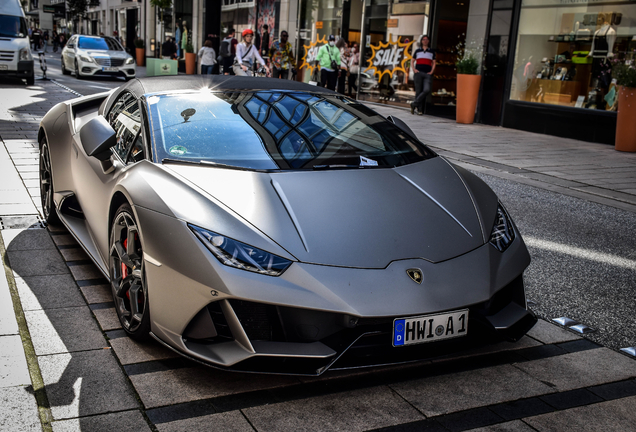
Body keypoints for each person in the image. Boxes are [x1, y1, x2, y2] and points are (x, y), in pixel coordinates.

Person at [410, 35, 436, 115]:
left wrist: (431, 72)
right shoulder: (418, 51)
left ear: (428, 41)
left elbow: (434, 63)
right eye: (423, 39)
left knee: (426, 90)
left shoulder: (432, 51)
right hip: (418, 73)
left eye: (426, 39)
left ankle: (414, 103)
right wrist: (414, 69)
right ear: (421, 41)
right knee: (418, 91)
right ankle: (419, 110)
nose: (425, 41)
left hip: (427, 74)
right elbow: (412, 61)